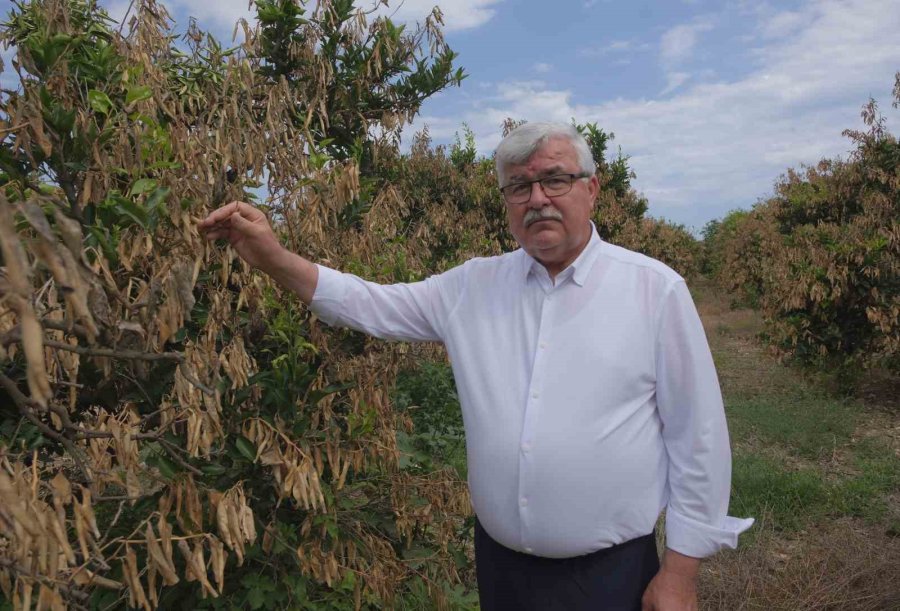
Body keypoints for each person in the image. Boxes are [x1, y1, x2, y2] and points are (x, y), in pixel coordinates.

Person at [200, 122, 753, 611]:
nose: (537, 199)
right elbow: (369, 304)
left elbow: (697, 438)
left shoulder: (654, 290)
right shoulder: (473, 286)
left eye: (555, 180)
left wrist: (680, 573)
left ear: (591, 189)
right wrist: (274, 258)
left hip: (611, 577)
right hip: (500, 568)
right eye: (519, 187)